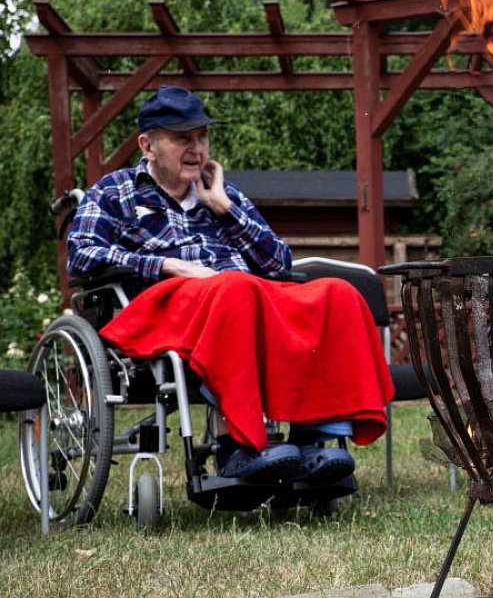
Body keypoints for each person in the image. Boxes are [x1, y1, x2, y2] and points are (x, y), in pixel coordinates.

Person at [67, 85, 393, 484]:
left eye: (202, 137)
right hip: (166, 307)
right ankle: (233, 448)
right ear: (147, 146)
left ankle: (312, 441)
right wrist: (168, 265)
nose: (196, 149)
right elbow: (81, 254)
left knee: (336, 293)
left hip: (240, 299)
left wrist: (224, 209)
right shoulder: (115, 190)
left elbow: (278, 264)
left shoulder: (222, 194)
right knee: (235, 288)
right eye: (182, 138)